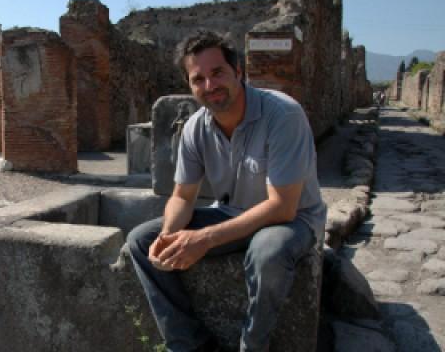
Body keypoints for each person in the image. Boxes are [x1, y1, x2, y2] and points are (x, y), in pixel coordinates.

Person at [127, 30, 327, 352]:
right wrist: (168, 237)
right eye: (198, 79)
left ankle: (252, 346)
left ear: (238, 71)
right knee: (142, 241)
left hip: (291, 221)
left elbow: (282, 206)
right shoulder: (195, 128)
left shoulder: (283, 115)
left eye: (217, 73)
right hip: (232, 213)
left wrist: (204, 238)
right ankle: (191, 345)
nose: (210, 86)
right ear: (190, 86)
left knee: (268, 252)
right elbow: (182, 196)